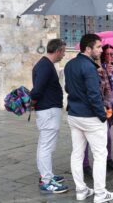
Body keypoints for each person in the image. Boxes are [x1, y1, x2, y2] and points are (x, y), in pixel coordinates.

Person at [64, 34, 113, 202]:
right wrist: (102, 116)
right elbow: (94, 95)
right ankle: (100, 193)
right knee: (100, 154)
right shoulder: (90, 68)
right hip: (90, 116)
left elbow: (68, 87)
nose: (101, 50)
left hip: (74, 115)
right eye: (99, 47)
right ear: (88, 48)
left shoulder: (70, 64)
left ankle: (81, 190)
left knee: (77, 153)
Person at [31, 38, 68, 193]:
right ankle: (46, 181)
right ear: (58, 50)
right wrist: (32, 102)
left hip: (48, 110)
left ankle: (47, 175)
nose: (64, 55)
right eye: (63, 52)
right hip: (48, 111)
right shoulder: (45, 66)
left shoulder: (46, 65)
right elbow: (37, 90)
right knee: (46, 146)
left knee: (46, 145)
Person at [83, 44, 113, 176]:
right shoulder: (97, 68)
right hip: (99, 107)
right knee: (89, 138)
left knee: (108, 136)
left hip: (110, 107)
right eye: (107, 54)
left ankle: (108, 159)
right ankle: (86, 164)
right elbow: (103, 89)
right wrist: (107, 74)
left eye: (112, 54)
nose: (110, 56)